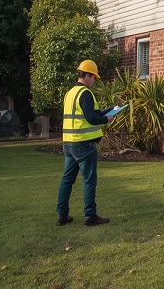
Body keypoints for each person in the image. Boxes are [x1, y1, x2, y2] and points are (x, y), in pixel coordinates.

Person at [56, 59, 117, 227]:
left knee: (67, 179)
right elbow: (91, 118)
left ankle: (62, 215)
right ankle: (90, 216)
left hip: (69, 143)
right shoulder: (85, 93)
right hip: (84, 144)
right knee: (89, 180)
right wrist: (107, 119)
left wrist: (107, 110)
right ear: (88, 75)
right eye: (94, 78)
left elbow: (90, 113)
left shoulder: (70, 93)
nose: (95, 81)